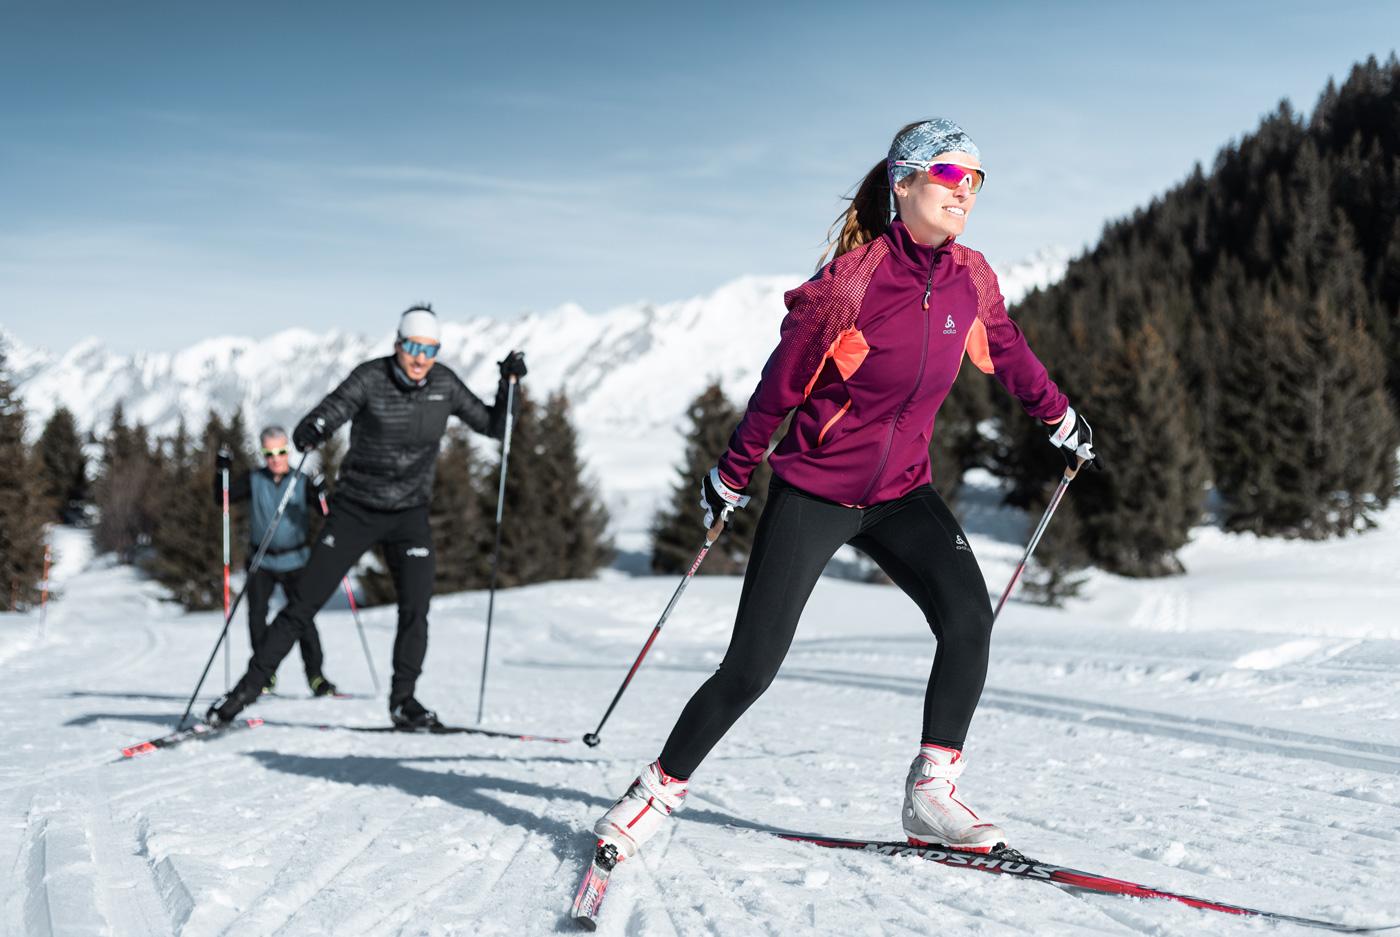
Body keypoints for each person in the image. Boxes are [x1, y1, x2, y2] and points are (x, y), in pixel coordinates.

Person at [592, 119, 1100, 860]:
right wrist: (731, 474)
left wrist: (1058, 414)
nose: (968, 192)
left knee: (967, 619)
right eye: (953, 176)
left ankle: (932, 791)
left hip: (902, 494)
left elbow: (1008, 349)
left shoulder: (972, 277)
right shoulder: (851, 283)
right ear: (905, 183)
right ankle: (654, 793)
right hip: (816, 493)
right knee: (752, 666)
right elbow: (780, 387)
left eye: (978, 180)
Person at [208, 304, 527, 729]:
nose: (420, 358)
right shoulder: (370, 377)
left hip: (409, 513)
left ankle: (404, 701)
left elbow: (495, 425)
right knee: (304, 603)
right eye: (413, 347)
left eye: (430, 349)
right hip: (355, 510)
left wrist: (509, 385)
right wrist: (314, 428)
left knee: (416, 607)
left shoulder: (444, 384)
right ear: (398, 344)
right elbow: (331, 410)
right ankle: (243, 692)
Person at [214, 427, 335, 697]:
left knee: (303, 618)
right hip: (262, 561)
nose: (275, 459)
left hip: (296, 560)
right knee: (257, 617)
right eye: (269, 453)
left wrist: (321, 490)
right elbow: (222, 498)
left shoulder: (301, 480)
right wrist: (221, 471)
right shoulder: (254, 479)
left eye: (281, 452)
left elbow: (327, 512)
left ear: (287, 452)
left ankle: (316, 676)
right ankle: (265, 675)